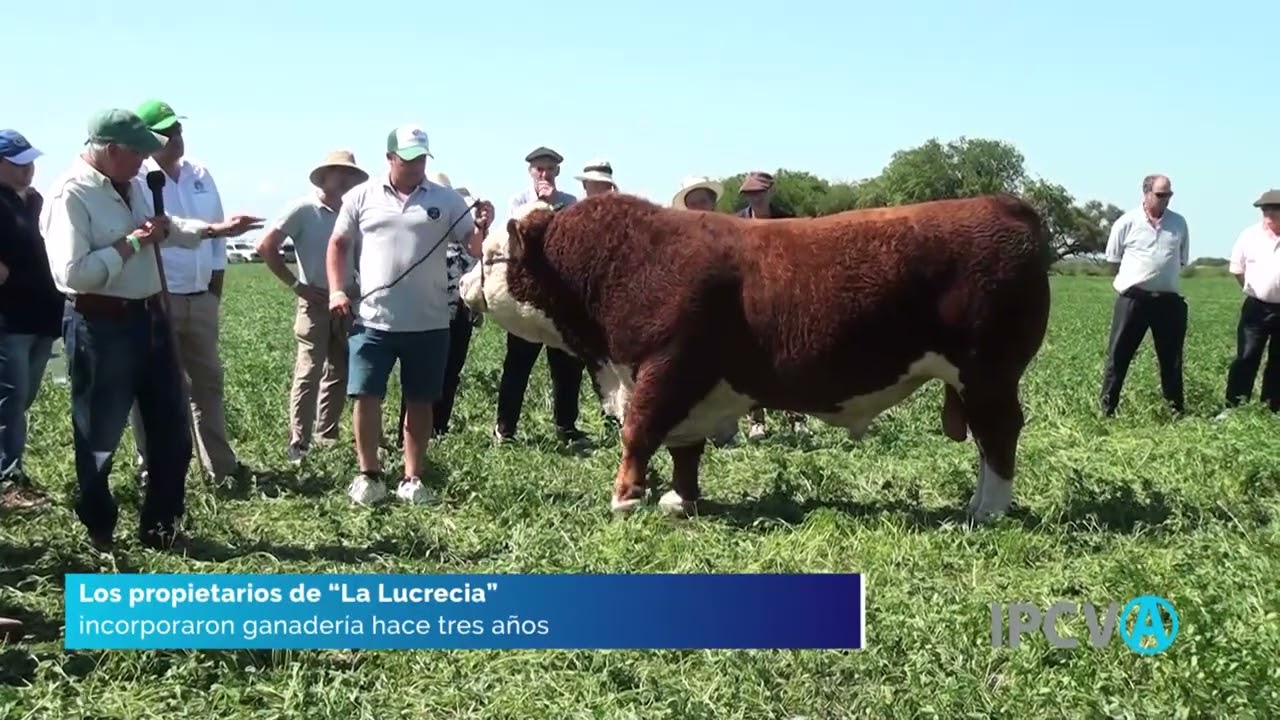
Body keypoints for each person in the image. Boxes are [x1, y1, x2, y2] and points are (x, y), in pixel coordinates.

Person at [40, 108, 262, 550]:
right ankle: (100, 527)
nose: (145, 162)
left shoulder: (135, 183)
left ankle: (161, 527)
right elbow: (72, 273)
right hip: (99, 324)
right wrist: (134, 243)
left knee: (171, 427)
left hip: (149, 318)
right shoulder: (71, 194)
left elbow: (165, 227)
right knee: (99, 432)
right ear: (111, 150)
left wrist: (215, 230)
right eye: (138, 153)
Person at [326, 125, 493, 506]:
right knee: (366, 397)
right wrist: (337, 289)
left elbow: (474, 246)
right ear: (390, 158)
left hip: (430, 322)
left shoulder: (446, 199)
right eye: (409, 157)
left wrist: (484, 224)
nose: (417, 164)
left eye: (421, 157)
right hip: (373, 321)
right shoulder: (361, 196)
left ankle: (412, 478)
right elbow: (338, 243)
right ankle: (369, 475)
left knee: (420, 401)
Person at [127, 99, 253, 486]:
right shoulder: (137, 179)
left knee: (207, 382)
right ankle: (153, 466)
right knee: (154, 387)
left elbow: (216, 235)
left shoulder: (200, 173)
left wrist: (214, 290)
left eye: (177, 129)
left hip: (199, 297)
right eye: (166, 132)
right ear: (146, 139)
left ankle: (220, 465)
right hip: (156, 297)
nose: (176, 138)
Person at [258, 150, 368, 463]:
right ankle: (299, 442)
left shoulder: (353, 211)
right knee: (309, 370)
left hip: (348, 300)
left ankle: (327, 435)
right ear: (324, 176)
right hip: (316, 300)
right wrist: (298, 286)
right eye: (339, 173)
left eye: (350, 174)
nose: (345, 179)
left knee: (340, 370)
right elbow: (265, 247)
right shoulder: (303, 208)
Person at [493, 147, 588, 445]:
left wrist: (554, 206)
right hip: (528, 300)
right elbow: (518, 244)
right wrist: (540, 204)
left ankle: (566, 427)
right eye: (539, 169)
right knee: (518, 365)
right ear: (530, 171)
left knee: (567, 367)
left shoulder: (571, 203)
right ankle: (505, 429)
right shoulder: (519, 201)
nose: (544, 173)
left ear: (557, 171)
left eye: (549, 168)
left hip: (561, 299)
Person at [394, 170, 483, 448]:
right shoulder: (420, 239)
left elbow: (477, 270)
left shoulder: (464, 239)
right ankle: (406, 438)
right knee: (419, 379)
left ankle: (439, 429)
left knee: (450, 374)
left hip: (459, 316)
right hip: (427, 316)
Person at [0, 129, 61, 509]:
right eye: (19, 164)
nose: (29, 170)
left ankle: (11, 471)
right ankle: (8, 483)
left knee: (21, 399)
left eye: (31, 162)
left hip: (43, 316)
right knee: (10, 398)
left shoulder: (38, 201)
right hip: (7, 319)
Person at [1100, 173, 1190, 417]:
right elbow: (1113, 260)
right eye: (1161, 195)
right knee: (1119, 356)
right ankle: (1107, 410)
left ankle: (1175, 411)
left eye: (1169, 195)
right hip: (1134, 300)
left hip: (1168, 302)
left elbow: (1181, 260)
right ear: (1146, 193)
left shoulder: (1179, 224)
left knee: (1171, 360)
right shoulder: (1126, 222)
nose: (1166, 200)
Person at [736, 171, 808, 439]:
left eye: (759, 192)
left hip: (787, 297)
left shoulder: (787, 220)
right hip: (751, 299)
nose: (755, 197)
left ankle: (797, 416)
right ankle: (756, 420)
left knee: (791, 358)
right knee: (751, 360)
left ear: (770, 191)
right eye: (750, 193)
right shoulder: (738, 223)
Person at [671, 175, 739, 447]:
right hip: (689, 318)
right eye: (693, 202)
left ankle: (725, 433)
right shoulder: (677, 238)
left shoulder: (731, 232)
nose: (699, 207)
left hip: (724, 315)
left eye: (704, 201)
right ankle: (687, 434)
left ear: (713, 204)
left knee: (724, 379)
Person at [1220, 189, 1280, 415]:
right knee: (1246, 357)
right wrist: (1252, 288)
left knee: (1278, 362)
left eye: (1273, 210)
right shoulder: (1249, 236)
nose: (1267, 215)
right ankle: (1233, 407)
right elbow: (1237, 269)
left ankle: (1272, 408)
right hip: (1256, 307)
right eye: (1264, 210)